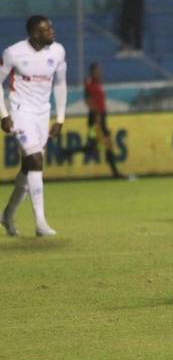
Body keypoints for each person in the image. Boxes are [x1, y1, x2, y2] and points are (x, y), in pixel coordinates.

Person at [0, 15, 67, 237]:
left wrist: (59, 118)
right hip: (20, 112)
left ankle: (7, 215)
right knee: (35, 159)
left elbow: (60, 83)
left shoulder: (58, 51)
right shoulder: (13, 53)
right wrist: (3, 114)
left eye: (51, 27)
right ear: (35, 34)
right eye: (46, 29)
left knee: (29, 168)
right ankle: (40, 222)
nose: (52, 31)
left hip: (42, 114)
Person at [60, 62, 125, 179]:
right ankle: (115, 173)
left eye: (100, 70)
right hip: (95, 119)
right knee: (100, 146)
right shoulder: (89, 83)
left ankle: (68, 152)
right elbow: (88, 100)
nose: (100, 73)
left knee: (97, 146)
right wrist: (96, 116)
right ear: (92, 72)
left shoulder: (98, 83)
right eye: (97, 71)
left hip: (101, 118)